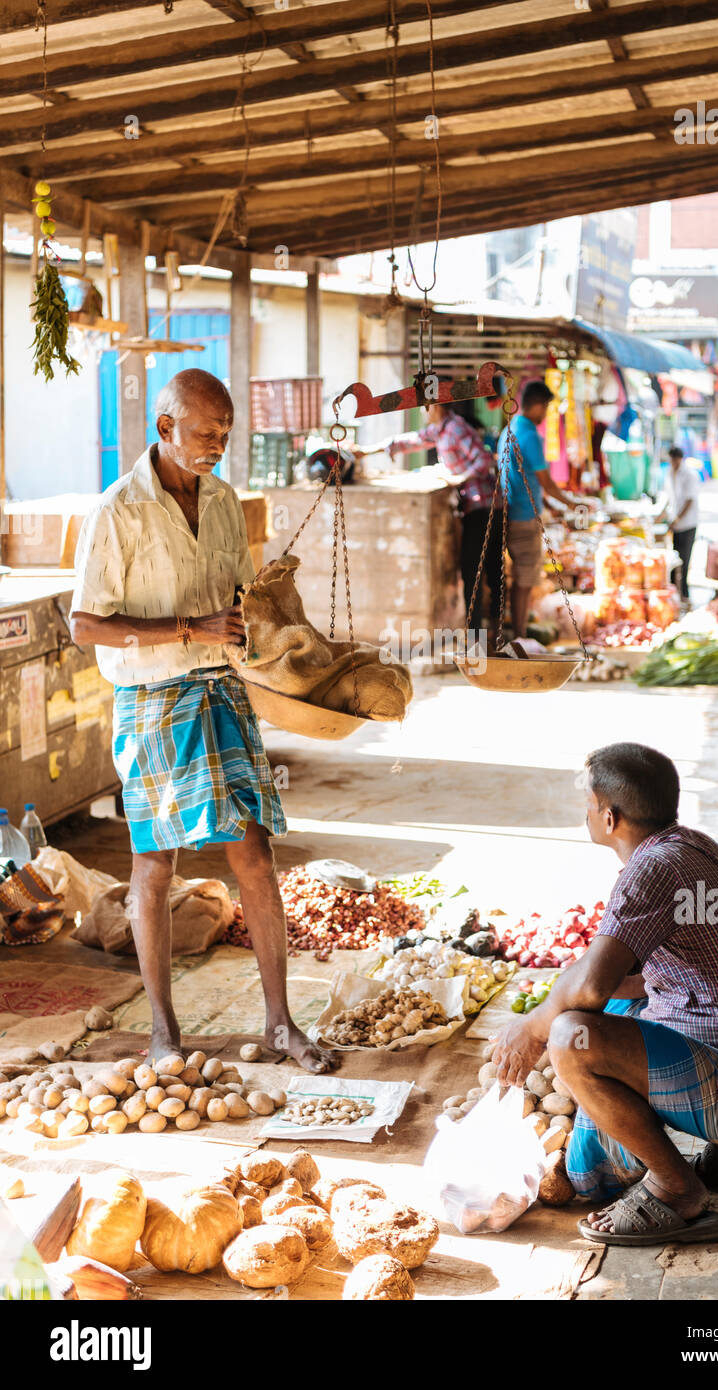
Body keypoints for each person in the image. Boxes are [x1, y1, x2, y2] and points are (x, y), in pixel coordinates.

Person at [70, 368, 335, 1073]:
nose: (217, 444)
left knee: (255, 854)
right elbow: (86, 625)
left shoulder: (222, 502)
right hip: (154, 699)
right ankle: (164, 1033)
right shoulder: (115, 510)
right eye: (204, 432)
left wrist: (267, 627)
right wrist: (188, 626)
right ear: (164, 429)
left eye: (225, 432)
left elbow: (235, 599)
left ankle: (281, 1025)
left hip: (221, 690)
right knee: (155, 866)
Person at [491, 742, 718, 1247]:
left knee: (571, 1036)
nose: (586, 813)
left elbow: (592, 985)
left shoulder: (652, 869)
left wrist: (531, 1029)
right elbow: (631, 981)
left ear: (611, 816)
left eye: (589, 805)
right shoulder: (687, 847)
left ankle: (674, 1187)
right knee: (606, 1008)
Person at [355, 401, 503, 633]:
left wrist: (460, 478)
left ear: (434, 407)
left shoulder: (455, 428)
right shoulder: (442, 429)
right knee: (488, 571)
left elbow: (484, 460)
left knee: (475, 570)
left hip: (484, 507)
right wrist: (368, 450)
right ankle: (490, 633)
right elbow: (413, 440)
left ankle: (479, 635)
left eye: (424, 407)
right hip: (484, 506)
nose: (422, 413)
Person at [497, 379, 577, 639]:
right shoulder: (530, 434)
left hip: (512, 511)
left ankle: (516, 631)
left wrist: (552, 507)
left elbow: (525, 477)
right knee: (524, 581)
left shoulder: (511, 429)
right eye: (545, 408)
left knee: (518, 579)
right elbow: (546, 482)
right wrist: (572, 503)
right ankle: (519, 635)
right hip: (523, 516)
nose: (545, 415)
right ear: (538, 405)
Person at [657, 446, 700, 605]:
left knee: (685, 559)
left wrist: (677, 518)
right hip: (675, 524)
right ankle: (676, 592)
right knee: (675, 559)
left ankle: (684, 593)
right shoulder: (669, 473)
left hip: (688, 523)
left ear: (679, 459)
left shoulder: (690, 475)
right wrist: (662, 516)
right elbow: (669, 498)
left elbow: (690, 500)